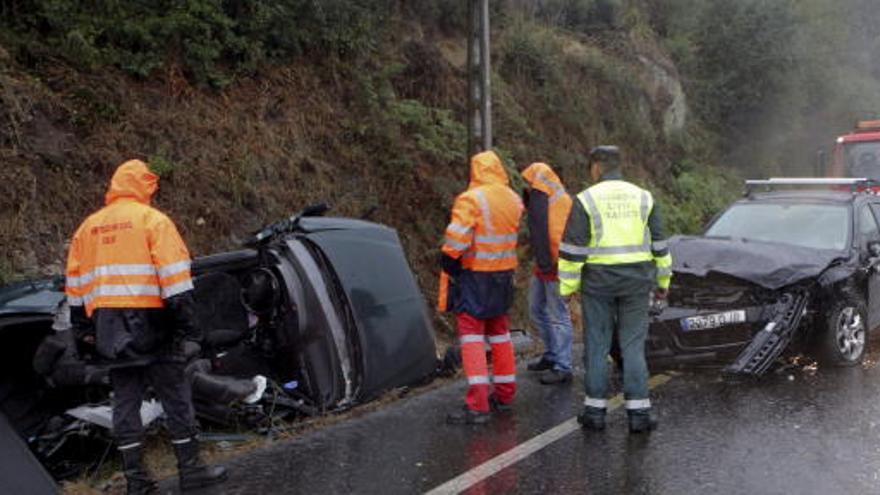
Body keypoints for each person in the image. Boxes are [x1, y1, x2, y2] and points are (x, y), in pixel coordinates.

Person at [65, 159, 227, 493]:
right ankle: (191, 471)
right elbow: (175, 281)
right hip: (155, 324)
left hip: (110, 328)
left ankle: (137, 481)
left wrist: (83, 330)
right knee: (176, 395)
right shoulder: (153, 221)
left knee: (125, 402)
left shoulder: (88, 228)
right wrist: (188, 329)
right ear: (145, 186)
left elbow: (75, 285)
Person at [557, 146, 672, 433]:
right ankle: (639, 415)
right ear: (620, 166)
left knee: (597, 344)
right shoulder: (643, 197)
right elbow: (660, 245)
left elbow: (572, 251)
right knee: (633, 346)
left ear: (596, 167)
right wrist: (663, 283)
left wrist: (567, 288)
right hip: (636, 283)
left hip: (598, 284)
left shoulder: (586, 199)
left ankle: (595, 414)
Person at [438, 150, 523, 425]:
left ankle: (477, 404)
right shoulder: (513, 199)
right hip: (503, 276)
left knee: (472, 338)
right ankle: (505, 395)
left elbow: (457, 241)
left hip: (476, 277)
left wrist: (448, 261)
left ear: (475, 170)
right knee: (500, 336)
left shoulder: (471, 199)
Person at [521, 162, 575, 385]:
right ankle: (553, 355)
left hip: (555, 264)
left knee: (558, 315)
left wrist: (546, 262)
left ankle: (563, 366)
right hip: (546, 262)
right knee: (536, 310)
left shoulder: (546, 198)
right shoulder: (554, 196)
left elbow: (543, 228)